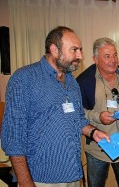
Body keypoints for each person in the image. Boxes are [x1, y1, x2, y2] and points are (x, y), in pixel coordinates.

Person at [1, 26, 110, 187]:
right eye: (74, 50)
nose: (80, 55)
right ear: (54, 50)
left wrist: (93, 132)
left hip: (72, 174)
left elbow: (77, 119)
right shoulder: (24, 79)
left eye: (80, 50)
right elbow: (13, 138)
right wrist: (25, 182)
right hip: (41, 179)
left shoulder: (72, 81)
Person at [76, 37, 119, 187]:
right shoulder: (83, 81)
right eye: (107, 56)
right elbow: (77, 113)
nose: (113, 60)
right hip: (97, 147)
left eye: (115, 55)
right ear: (95, 59)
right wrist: (97, 117)